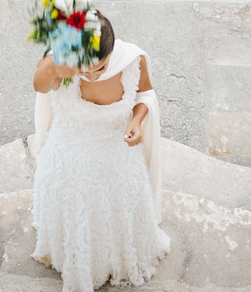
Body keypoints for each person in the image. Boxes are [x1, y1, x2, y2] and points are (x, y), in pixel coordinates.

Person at [32, 15, 168, 292]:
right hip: (69, 160)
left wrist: (136, 120)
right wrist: (57, 60)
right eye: (85, 70)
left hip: (117, 154)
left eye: (101, 68)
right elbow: (39, 85)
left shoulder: (132, 60)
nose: (93, 76)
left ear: (112, 52)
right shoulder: (60, 64)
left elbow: (145, 94)